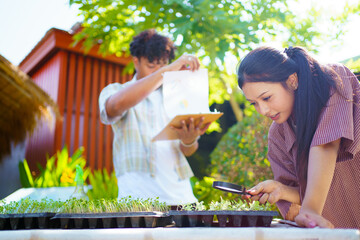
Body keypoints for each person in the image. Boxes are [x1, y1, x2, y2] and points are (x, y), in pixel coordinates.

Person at [237, 46, 360, 229]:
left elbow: (326, 145)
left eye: (267, 98)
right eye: (254, 103)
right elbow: (306, 194)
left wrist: (309, 211)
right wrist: (282, 191)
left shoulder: (333, 80)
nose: (262, 110)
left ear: (292, 80)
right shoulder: (278, 136)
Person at [99, 29, 210, 206]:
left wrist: (189, 140)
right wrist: (167, 71)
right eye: (152, 66)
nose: (160, 70)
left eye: (164, 64)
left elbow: (188, 150)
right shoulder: (116, 90)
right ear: (136, 61)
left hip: (182, 198)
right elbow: (113, 107)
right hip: (137, 200)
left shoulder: (178, 96)